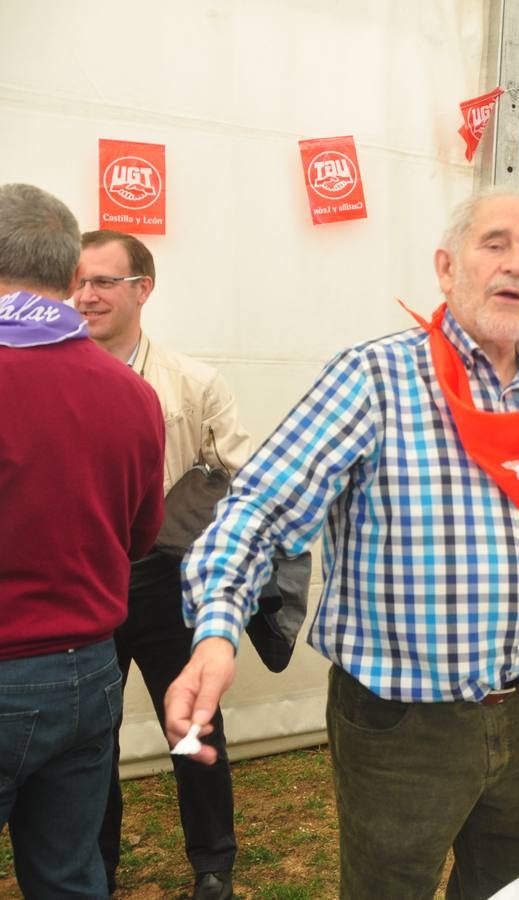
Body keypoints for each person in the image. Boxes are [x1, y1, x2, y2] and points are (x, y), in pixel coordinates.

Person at [162, 191, 519, 900]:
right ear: (447, 268)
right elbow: (258, 508)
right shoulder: (376, 377)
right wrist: (215, 633)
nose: (515, 263)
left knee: (511, 888)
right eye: (495, 244)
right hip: (401, 723)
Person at [0, 183, 164, 895]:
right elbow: (140, 533)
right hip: (88, 670)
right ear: (72, 277)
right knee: (70, 874)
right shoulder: (132, 393)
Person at [75, 229, 247, 900]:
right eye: (78, 281)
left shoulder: (193, 382)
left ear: (143, 289)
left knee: (192, 723)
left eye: (104, 282)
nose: (86, 295)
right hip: (84, 576)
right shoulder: (48, 377)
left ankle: (212, 863)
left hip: (167, 577)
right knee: (92, 736)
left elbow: (242, 476)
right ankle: (97, 865)